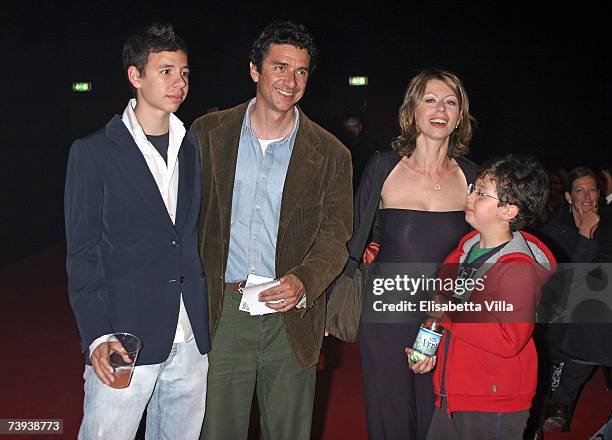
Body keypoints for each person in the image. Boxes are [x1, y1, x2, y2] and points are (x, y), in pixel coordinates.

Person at [190, 21, 352, 440]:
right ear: (254, 70)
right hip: (222, 312)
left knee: (290, 432)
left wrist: (304, 281)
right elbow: (184, 221)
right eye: (280, 67)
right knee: (217, 431)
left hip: (291, 315)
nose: (291, 81)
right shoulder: (207, 135)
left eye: (301, 72)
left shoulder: (332, 153)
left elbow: (336, 237)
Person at [64, 24, 210, 439]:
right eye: (165, 71)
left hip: (189, 337)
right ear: (135, 75)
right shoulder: (92, 152)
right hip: (125, 339)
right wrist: (96, 335)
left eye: (183, 72)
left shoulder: (192, 146)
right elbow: (83, 254)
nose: (178, 82)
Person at [356, 70, 480, 440]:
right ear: (412, 110)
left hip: (445, 314)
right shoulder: (383, 166)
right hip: (386, 312)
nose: (440, 109)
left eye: (450, 102)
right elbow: (351, 238)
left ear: (460, 116)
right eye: (430, 99)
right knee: (389, 416)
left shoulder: (473, 178)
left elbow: (482, 251)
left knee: (437, 414)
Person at [407, 154, 556, 439]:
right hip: (453, 393)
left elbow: (507, 338)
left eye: (481, 193)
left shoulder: (517, 270)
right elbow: (440, 314)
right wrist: (426, 351)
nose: (470, 196)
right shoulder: (460, 254)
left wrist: (448, 312)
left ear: (508, 211)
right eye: (473, 189)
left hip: (493, 402)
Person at [537, 167, 612, 433]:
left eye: (592, 189)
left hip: (593, 315)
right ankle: (554, 403)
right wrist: (584, 236)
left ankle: (561, 404)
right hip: (560, 311)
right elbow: (568, 281)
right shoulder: (557, 230)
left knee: (595, 328)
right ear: (568, 196)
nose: (586, 196)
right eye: (579, 190)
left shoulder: (609, 224)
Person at [340, 112, 379, 189]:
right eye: (348, 127)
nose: (351, 130)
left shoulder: (368, 149)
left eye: (354, 126)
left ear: (360, 127)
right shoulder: (340, 148)